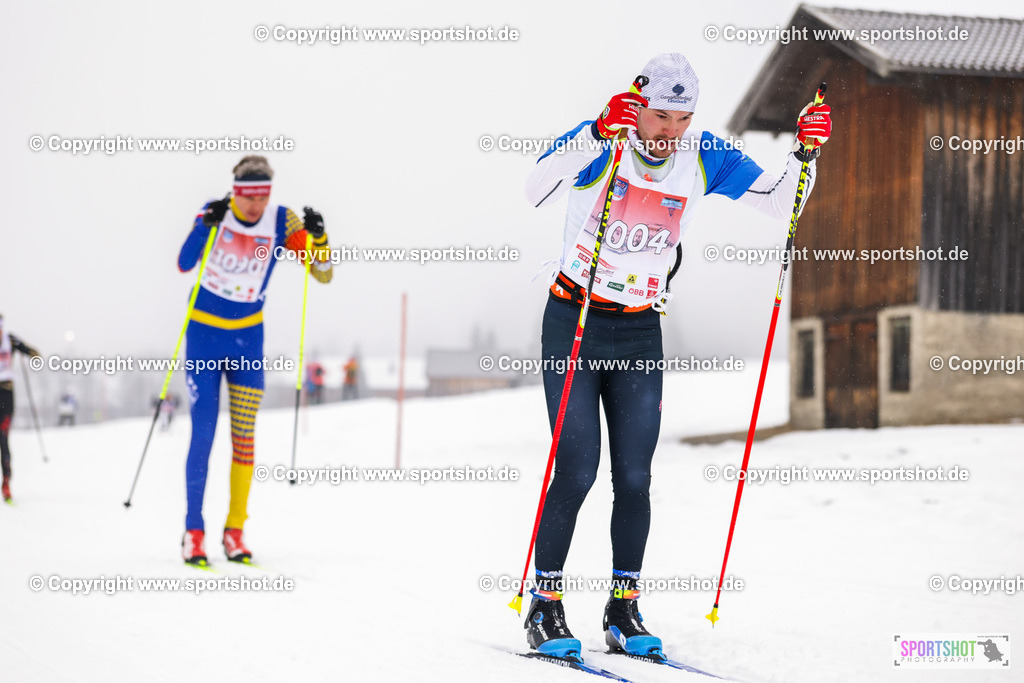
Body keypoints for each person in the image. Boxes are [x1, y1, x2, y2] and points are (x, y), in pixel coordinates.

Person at [522, 53, 831, 658]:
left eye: (681, 118)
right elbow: (535, 189)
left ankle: (624, 608)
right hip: (576, 324)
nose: (669, 131)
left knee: (635, 478)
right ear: (639, 106)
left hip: (639, 332)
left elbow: (777, 201)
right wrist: (593, 133)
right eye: (660, 116)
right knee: (578, 470)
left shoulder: (701, 154)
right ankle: (546, 603)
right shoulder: (604, 134)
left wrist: (805, 157)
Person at [178, 155, 334, 566]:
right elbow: (183, 262)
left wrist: (319, 237)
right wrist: (204, 226)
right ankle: (194, 532)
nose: (255, 207)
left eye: (262, 196)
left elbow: (322, 273)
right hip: (204, 340)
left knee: (244, 437)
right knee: (205, 432)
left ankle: (235, 531)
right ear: (236, 192)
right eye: (248, 197)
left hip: (248, 342)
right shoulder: (216, 212)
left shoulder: (282, 222)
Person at [0, 314, 42, 503]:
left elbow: (34, 353)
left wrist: (29, 353)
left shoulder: (10, 340)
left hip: (6, 395)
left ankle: (6, 483)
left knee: (3, 438)